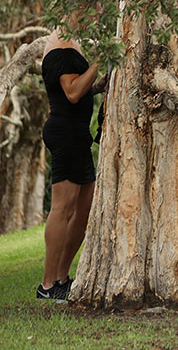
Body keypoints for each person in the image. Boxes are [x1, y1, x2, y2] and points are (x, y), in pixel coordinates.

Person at [37, 26, 105, 300]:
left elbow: (81, 86)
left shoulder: (72, 44)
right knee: (63, 208)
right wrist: (102, 59)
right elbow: (73, 92)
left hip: (78, 135)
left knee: (84, 209)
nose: (98, 10)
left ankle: (62, 277)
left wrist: (99, 84)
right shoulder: (60, 46)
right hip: (65, 134)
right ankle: (48, 285)